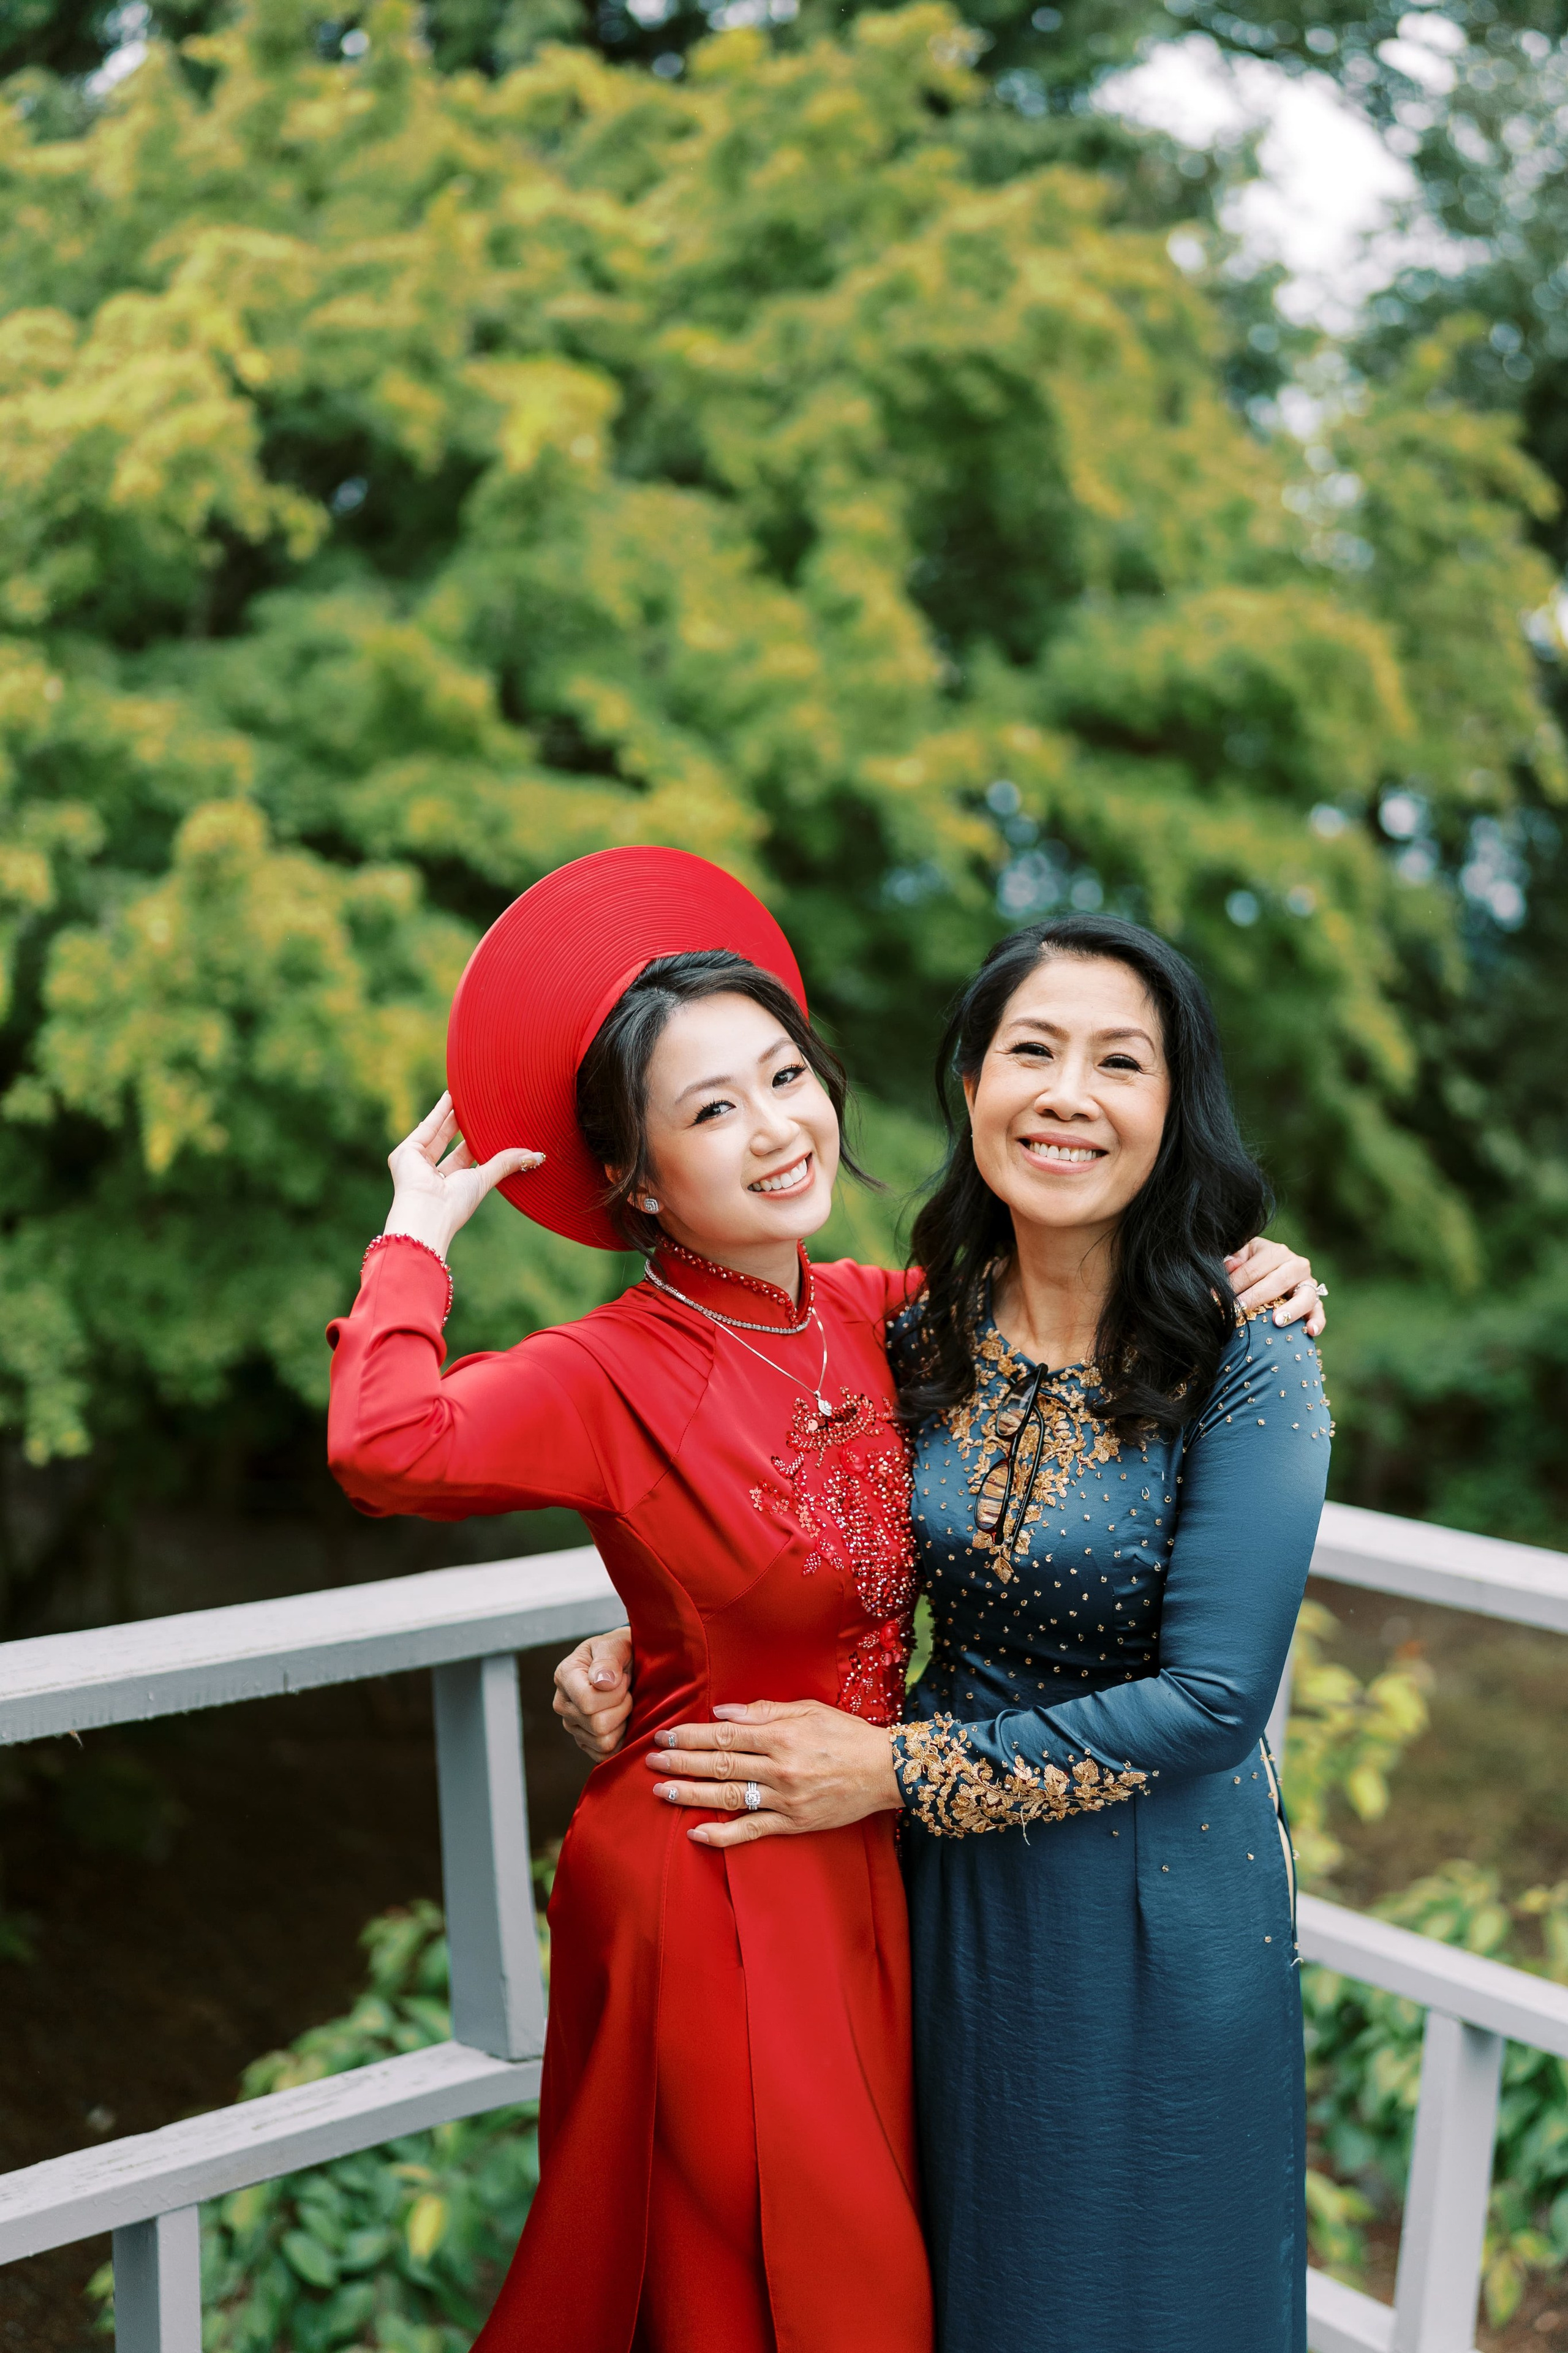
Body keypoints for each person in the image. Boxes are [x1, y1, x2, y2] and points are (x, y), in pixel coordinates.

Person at [556, 913, 1329, 2353]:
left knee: (1134, 2296)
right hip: (934, 1909)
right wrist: (641, 1648)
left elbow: (1216, 1699)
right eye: (1030, 1050)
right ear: (968, 1081)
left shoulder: (1249, 1355)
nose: (1067, 1094)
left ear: (1173, 1108)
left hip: (1154, 1898)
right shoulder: (915, 1334)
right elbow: (793, 1537)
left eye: (1120, 1062)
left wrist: (891, 1770)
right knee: (960, 2289)